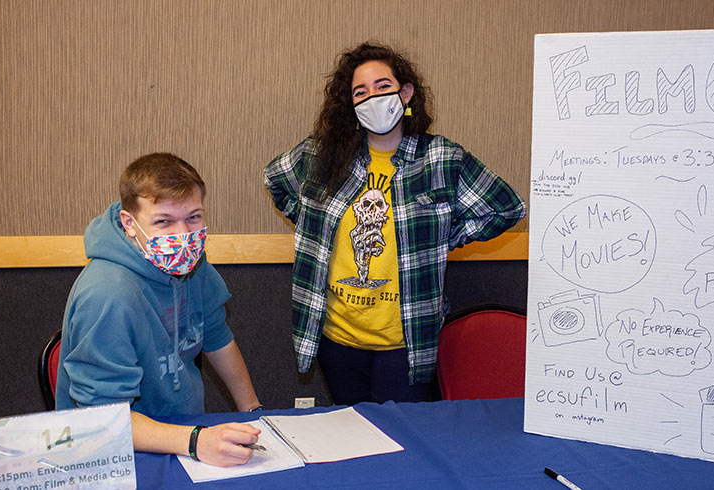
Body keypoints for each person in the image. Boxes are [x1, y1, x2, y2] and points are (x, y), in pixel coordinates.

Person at [264, 42, 526, 405]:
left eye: (382, 86)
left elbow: (507, 208)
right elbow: (276, 179)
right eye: (360, 91)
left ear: (405, 93)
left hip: (406, 342)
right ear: (350, 105)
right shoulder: (322, 154)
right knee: (352, 433)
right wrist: (314, 224)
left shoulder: (441, 158)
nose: (372, 97)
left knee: (405, 440)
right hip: (336, 338)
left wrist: (444, 237)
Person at [56, 153, 262, 467]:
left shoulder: (193, 265)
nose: (182, 235)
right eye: (164, 221)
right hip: (120, 450)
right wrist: (195, 442)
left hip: (187, 433)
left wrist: (255, 414)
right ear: (130, 223)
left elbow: (218, 338)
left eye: (194, 217)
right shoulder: (107, 294)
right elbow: (103, 419)